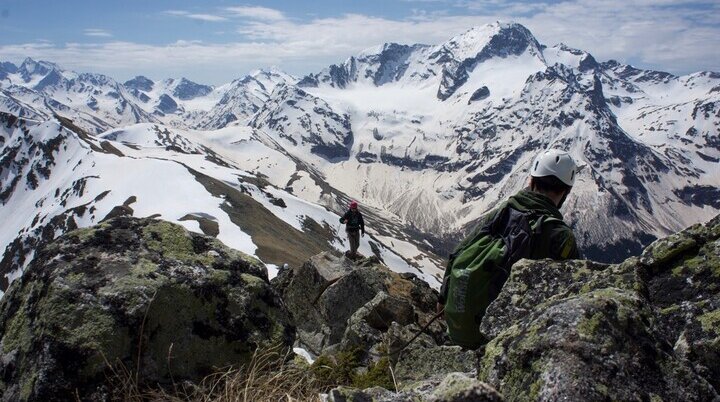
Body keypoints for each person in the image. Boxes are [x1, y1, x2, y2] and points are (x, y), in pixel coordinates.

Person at [439, 148, 580, 348]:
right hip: (509, 341)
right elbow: (579, 289)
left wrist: (443, 295)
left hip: (461, 329)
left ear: (531, 181)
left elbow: (462, 250)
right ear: (566, 192)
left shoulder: (505, 209)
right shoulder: (561, 236)